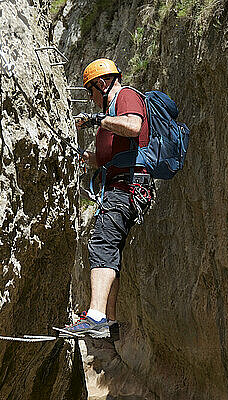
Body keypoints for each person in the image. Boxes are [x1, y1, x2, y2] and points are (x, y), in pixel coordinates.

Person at [64, 58, 153, 338]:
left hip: (127, 188)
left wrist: (98, 120)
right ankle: (109, 319)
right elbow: (106, 157)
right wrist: (85, 157)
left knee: (102, 242)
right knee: (109, 248)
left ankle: (96, 316)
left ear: (102, 84)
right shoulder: (109, 117)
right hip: (120, 186)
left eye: (90, 92)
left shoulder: (126, 96)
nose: (91, 100)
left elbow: (134, 126)